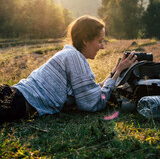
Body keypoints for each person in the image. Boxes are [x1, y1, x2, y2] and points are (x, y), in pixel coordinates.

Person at [0, 15, 137, 123]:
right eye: (100, 41)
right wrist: (118, 72)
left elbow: (92, 90)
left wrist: (115, 70)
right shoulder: (74, 57)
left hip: (16, 97)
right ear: (85, 40)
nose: (102, 47)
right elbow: (92, 103)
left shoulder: (72, 55)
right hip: (14, 101)